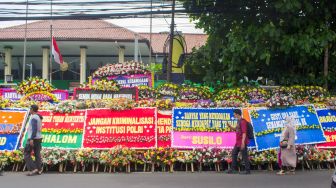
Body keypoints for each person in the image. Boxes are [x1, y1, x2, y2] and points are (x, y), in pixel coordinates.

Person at [226, 109, 251, 175]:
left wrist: (243, 142)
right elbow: (236, 129)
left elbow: (244, 133)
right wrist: (230, 126)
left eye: (234, 113)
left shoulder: (243, 122)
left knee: (244, 155)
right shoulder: (238, 121)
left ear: (237, 114)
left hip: (242, 141)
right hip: (238, 142)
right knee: (234, 153)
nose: (233, 114)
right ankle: (233, 169)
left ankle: (247, 170)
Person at [24, 104, 43, 176]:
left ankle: (33, 169)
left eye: (30, 109)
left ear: (32, 109)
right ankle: (39, 169)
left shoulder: (34, 117)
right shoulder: (38, 116)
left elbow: (34, 129)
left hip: (33, 138)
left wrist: (31, 138)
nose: (29, 110)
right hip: (38, 138)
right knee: (37, 154)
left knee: (26, 154)